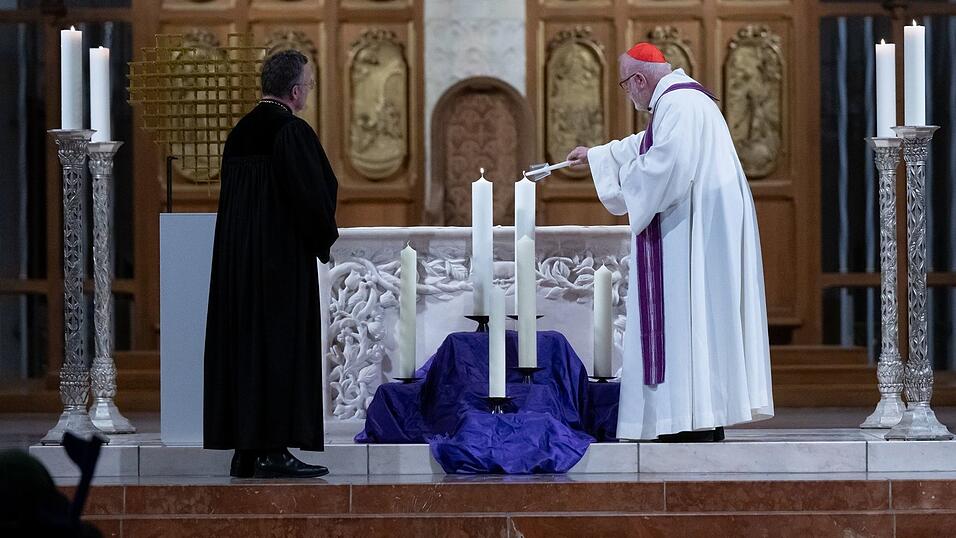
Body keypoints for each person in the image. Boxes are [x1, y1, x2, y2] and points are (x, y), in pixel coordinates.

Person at [566, 42, 774, 442]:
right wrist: (597, 157)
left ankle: (684, 420)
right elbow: (647, 146)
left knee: (684, 318)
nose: (628, 95)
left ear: (640, 80)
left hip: (690, 232)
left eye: (626, 86)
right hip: (702, 228)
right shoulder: (684, 101)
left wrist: (626, 181)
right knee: (699, 322)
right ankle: (699, 414)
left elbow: (664, 167)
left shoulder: (678, 106)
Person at [204, 49, 338, 477]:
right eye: (310, 85)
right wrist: (322, 238)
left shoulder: (240, 133)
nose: (310, 92)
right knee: (278, 349)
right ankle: (273, 450)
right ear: (295, 91)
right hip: (277, 263)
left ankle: (245, 450)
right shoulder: (290, 132)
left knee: (246, 350)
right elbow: (314, 195)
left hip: (236, 265)